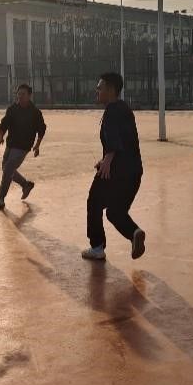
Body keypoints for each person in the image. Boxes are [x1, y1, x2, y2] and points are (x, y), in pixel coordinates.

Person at [82, 72, 146, 262]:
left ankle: (97, 247)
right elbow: (125, 140)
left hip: (115, 170)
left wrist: (108, 159)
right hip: (134, 172)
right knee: (115, 212)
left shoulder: (111, 110)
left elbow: (114, 139)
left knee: (94, 202)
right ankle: (135, 233)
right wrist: (105, 159)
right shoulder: (125, 109)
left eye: (100, 87)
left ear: (110, 90)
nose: (97, 90)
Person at [0, 83, 46, 210]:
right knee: (6, 168)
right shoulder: (12, 109)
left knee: (8, 169)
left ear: (29, 95)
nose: (20, 96)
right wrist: (1, 137)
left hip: (23, 147)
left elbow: (41, 129)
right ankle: (25, 184)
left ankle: (0, 198)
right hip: (11, 144)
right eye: (19, 94)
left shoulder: (35, 113)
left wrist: (37, 145)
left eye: (23, 94)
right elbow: (4, 124)